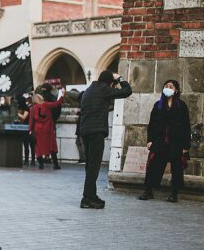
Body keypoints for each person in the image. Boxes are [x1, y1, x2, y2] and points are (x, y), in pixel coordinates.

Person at [78, 71, 132, 208]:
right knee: (94, 167)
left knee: (90, 166)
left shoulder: (89, 90)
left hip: (85, 131)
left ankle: (91, 195)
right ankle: (87, 199)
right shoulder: (103, 89)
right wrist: (120, 78)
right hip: (96, 132)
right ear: (110, 82)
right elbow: (127, 91)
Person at [139, 80, 191, 203]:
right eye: (166, 86)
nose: (168, 88)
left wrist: (186, 145)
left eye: (171, 86)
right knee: (153, 165)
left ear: (176, 90)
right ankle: (148, 191)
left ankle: (174, 193)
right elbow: (151, 124)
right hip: (160, 141)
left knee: (177, 168)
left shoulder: (181, 106)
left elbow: (186, 126)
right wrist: (150, 140)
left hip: (176, 142)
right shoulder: (158, 105)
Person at [28, 89, 63, 169]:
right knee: (52, 147)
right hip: (48, 129)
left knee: (38, 148)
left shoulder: (32, 108)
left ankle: (41, 164)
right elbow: (56, 104)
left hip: (38, 130)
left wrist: (30, 130)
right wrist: (61, 96)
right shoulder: (46, 104)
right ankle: (55, 164)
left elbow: (31, 121)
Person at [15, 95, 34, 166]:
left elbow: (23, 117)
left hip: (27, 128)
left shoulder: (26, 108)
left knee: (30, 145)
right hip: (22, 128)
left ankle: (32, 160)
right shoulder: (21, 108)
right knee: (26, 145)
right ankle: (26, 160)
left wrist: (17, 113)